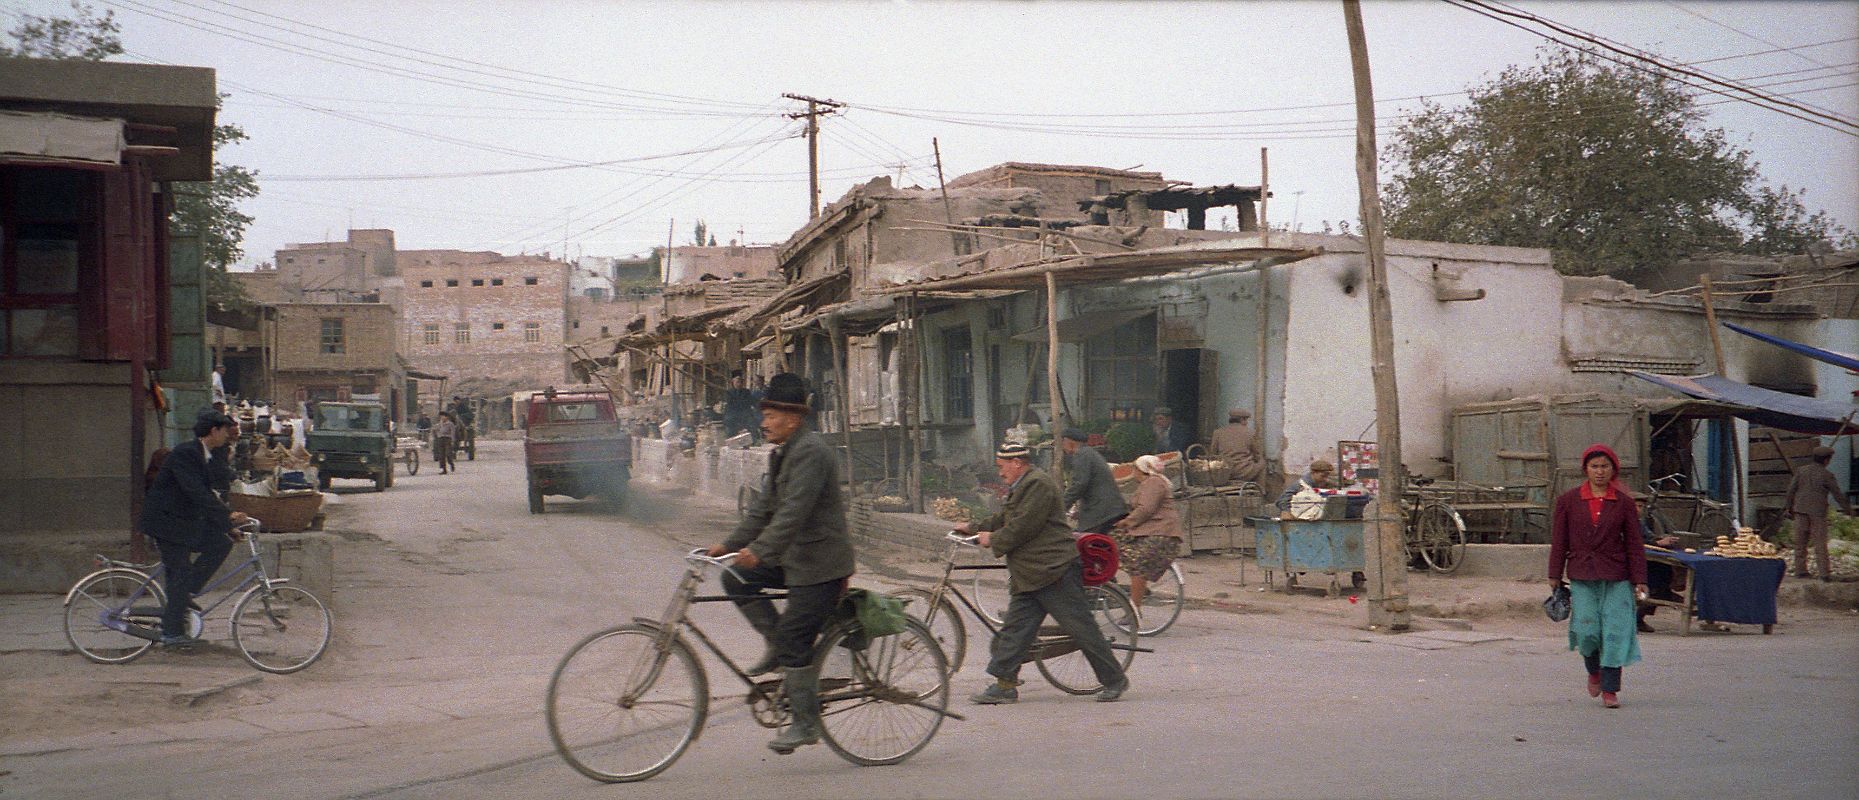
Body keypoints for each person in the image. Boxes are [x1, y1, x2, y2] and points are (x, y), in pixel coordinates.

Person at [706, 372, 855, 755]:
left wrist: (762, 551)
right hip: (795, 559)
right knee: (737, 576)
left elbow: (793, 514)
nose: (763, 422)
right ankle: (777, 645)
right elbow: (762, 510)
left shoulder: (813, 453)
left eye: (771, 415)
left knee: (796, 637)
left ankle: (805, 724)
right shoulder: (782, 454)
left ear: (793, 417)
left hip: (821, 566)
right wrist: (729, 545)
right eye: (765, 415)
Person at [957, 442, 1130, 705]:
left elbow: (1023, 526)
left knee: (1081, 629)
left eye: (1003, 467)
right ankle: (1004, 685)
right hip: (1031, 573)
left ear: (1017, 463)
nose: (1000, 473)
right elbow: (1006, 518)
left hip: (1054, 570)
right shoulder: (1023, 485)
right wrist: (973, 527)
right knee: (1015, 631)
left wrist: (992, 538)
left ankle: (1115, 680)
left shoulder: (1038, 484)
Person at [1547, 444, 1646, 709]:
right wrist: (1554, 574)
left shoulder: (1623, 503)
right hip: (1582, 574)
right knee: (1587, 630)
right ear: (1585, 470)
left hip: (1617, 575)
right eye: (1594, 466)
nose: (1599, 472)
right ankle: (1594, 671)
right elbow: (1559, 541)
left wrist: (1640, 579)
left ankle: (1610, 689)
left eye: (1604, 466)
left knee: (1615, 631)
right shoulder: (1568, 501)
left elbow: (1634, 543)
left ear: (1613, 469)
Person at [139, 412, 249, 647]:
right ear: (214, 431)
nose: (227, 436)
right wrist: (227, 518)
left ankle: (184, 596)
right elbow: (196, 493)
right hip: (166, 522)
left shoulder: (206, 455)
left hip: (182, 521)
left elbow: (208, 493)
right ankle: (172, 633)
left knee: (221, 543)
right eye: (224, 430)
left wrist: (226, 527)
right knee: (179, 573)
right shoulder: (185, 453)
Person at [1112, 455, 1184, 608]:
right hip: (1154, 532)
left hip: (1160, 534)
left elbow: (1146, 509)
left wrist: (1127, 522)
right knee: (1116, 543)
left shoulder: (1154, 483)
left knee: (1138, 564)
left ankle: (1134, 607)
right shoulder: (1151, 483)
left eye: (1135, 469)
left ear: (1142, 470)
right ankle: (1137, 588)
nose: (1133, 472)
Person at [1784, 446, 1853, 582]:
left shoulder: (1801, 471)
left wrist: (1788, 507)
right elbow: (1837, 494)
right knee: (1820, 542)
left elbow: (1791, 490)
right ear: (1826, 460)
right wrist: (1848, 510)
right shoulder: (1826, 475)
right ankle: (1824, 573)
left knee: (1800, 542)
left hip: (1800, 509)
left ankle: (1800, 570)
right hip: (1818, 512)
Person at [1060, 428, 1126, 534]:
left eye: (1062, 443)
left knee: (1086, 544)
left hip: (1101, 512)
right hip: (1109, 509)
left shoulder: (1081, 455)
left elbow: (1079, 484)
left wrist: (1061, 506)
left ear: (1069, 442)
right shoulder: (1090, 453)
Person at [1208, 408, 1266, 483]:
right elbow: (1257, 454)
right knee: (1262, 463)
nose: (1246, 423)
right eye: (1246, 420)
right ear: (1242, 420)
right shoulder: (1250, 433)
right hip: (1243, 471)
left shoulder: (1218, 432)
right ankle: (1261, 491)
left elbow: (1213, 454)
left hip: (1224, 471)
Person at [722, 371, 758, 440]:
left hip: (744, 414)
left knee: (752, 422)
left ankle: (753, 440)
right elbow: (730, 404)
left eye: (740, 382)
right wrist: (741, 403)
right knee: (729, 423)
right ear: (733, 382)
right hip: (733, 414)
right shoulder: (729, 392)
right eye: (737, 382)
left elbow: (750, 402)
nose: (739, 384)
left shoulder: (746, 392)